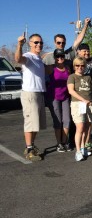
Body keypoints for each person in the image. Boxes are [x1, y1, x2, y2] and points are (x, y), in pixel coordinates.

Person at [15, 33, 47, 161]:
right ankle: (29, 149)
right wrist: (19, 44)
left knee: (36, 124)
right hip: (30, 94)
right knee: (30, 123)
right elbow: (18, 59)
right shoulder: (28, 56)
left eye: (40, 42)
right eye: (36, 42)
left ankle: (32, 146)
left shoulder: (39, 59)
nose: (39, 44)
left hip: (39, 93)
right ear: (30, 43)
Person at [67, 57, 92, 162]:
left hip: (89, 104)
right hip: (78, 104)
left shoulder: (88, 77)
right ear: (74, 66)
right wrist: (83, 100)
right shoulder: (72, 77)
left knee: (87, 127)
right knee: (80, 127)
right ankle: (78, 152)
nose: (80, 67)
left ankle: (83, 148)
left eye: (82, 65)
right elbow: (71, 91)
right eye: (77, 65)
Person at [46, 49, 72, 152]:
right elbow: (41, 62)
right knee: (58, 122)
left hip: (65, 97)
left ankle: (65, 142)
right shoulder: (51, 68)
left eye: (62, 56)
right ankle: (59, 143)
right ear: (54, 57)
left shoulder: (67, 68)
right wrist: (48, 54)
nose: (60, 58)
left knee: (67, 120)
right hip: (54, 98)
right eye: (57, 56)